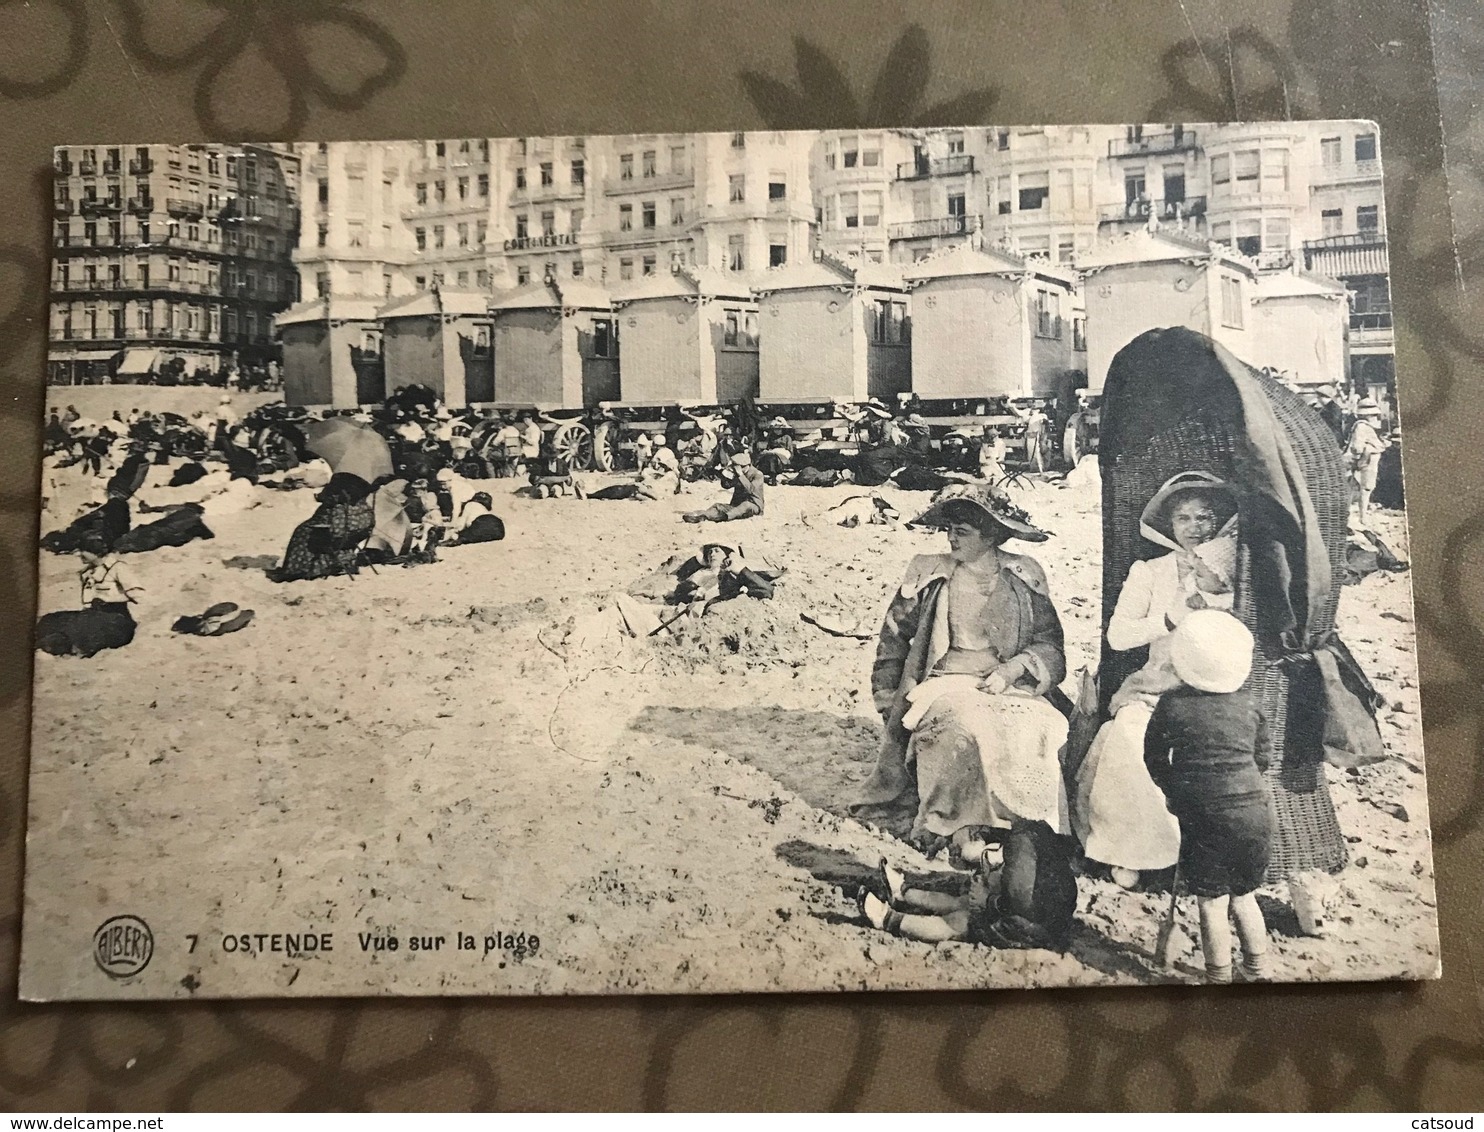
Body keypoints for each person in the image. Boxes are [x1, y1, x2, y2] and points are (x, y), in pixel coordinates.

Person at [854, 484, 1076, 949]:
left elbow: (1051, 645)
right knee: (966, 727)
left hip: (1011, 682)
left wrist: (1018, 666)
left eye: (963, 531)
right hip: (947, 677)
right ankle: (957, 829)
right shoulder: (930, 573)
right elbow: (894, 638)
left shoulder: (1024, 575)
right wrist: (887, 693)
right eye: (949, 530)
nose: (951, 540)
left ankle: (1025, 836)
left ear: (991, 535)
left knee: (1043, 728)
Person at [1075, 471, 1238, 888]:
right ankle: (1134, 852)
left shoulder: (1233, 570)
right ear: (1169, 524)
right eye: (1183, 519)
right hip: (1157, 685)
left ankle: (1192, 857)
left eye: (1204, 518)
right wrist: (1167, 618)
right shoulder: (1149, 571)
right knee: (1130, 739)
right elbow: (1118, 635)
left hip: (1216, 690)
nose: (1194, 528)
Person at [1144, 610, 1274, 984]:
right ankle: (1257, 970)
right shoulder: (1250, 704)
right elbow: (1261, 758)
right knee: (1245, 896)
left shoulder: (1172, 705)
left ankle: (1218, 976)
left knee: (1212, 903)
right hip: (1255, 813)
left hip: (1203, 814)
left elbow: (1153, 756)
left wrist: (1174, 792)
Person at [35, 532, 141, 657]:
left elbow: (139, 596)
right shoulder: (88, 572)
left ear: (94, 551)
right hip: (94, 614)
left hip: (115, 619)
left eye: (83, 551)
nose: (79, 555)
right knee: (53, 619)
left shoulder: (118, 568)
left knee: (80, 627)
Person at [272, 473, 376, 582]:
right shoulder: (365, 485)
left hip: (336, 528)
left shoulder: (340, 480)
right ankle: (342, 561)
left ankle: (299, 569)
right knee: (336, 534)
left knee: (303, 531)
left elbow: (325, 497)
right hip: (356, 528)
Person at [683, 450, 765, 523]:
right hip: (736, 506)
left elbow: (751, 490)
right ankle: (703, 515)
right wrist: (723, 476)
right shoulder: (738, 474)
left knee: (746, 505)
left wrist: (740, 474)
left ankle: (723, 517)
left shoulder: (757, 474)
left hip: (754, 506)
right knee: (717, 506)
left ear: (744, 466)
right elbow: (727, 486)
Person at [1346, 399, 1389, 530]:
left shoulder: (1363, 426)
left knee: (1362, 488)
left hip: (1368, 459)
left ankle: (1360, 515)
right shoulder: (1362, 427)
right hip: (1367, 460)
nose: (1375, 417)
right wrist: (1356, 460)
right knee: (1365, 488)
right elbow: (1357, 447)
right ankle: (1362, 517)